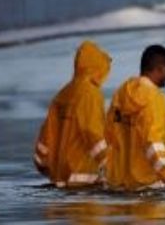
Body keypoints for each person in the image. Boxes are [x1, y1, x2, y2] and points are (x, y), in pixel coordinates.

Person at [105, 44, 165, 190]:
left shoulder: (121, 93)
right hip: (148, 184)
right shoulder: (155, 99)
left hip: (117, 184)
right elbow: (153, 142)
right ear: (160, 68)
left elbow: (108, 134)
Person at [33, 40, 111, 188]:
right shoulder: (91, 94)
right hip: (84, 184)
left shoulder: (63, 94)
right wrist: (112, 165)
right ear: (99, 68)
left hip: (58, 179)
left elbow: (46, 133)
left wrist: (41, 161)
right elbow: (92, 133)